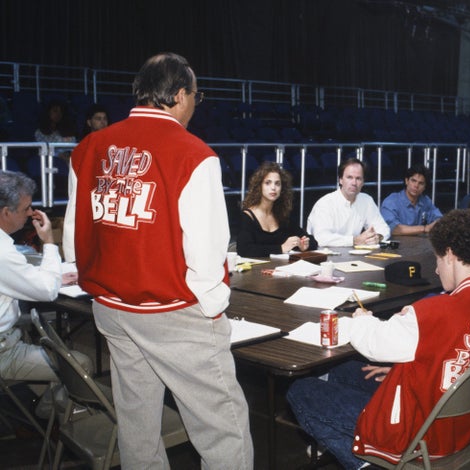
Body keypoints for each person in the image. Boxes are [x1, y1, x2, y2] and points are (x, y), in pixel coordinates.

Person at [63, 53, 253, 469]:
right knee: (224, 428)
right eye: (196, 96)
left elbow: (74, 238)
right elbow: (207, 248)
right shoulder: (193, 154)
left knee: (137, 424)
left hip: (111, 307)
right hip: (171, 310)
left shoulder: (89, 147)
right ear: (181, 95)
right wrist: (213, 307)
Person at [286, 209, 470, 469]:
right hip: (464, 428)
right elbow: (456, 356)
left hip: (421, 436)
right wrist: (412, 367)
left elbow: (374, 344)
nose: (437, 269)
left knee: (301, 390)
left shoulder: (432, 313)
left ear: (450, 255)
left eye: (438, 259)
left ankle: (372, 465)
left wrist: (362, 318)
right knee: (345, 372)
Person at [0, 170, 91, 416]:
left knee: (46, 335)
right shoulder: (2, 252)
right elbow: (47, 291)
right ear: (6, 212)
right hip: (3, 350)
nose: (31, 213)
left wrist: (48, 278)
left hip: (9, 334)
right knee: (80, 364)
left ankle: (42, 412)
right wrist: (49, 241)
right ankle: (57, 422)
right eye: (26, 208)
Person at [236, 161, 317, 256]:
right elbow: (244, 250)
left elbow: (312, 241)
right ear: (259, 186)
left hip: (281, 268)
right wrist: (281, 248)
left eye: (277, 184)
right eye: (268, 183)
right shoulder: (247, 216)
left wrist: (305, 245)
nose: (273, 188)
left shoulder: (282, 215)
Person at [306, 157, 390, 247]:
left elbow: (384, 228)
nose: (354, 183)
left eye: (358, 178)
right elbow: (321, 238)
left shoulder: (366, 200)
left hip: (353, 255)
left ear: (363, 182)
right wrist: (355, 240)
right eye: (349, 177)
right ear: (340, 180)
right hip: (323, 256)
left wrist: (377, 237)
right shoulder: (325, 203)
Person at [380, 164, 442, 236]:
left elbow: (440, 219)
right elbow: (393, 229)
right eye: (413, 181)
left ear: (425, 187)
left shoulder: (425, 200)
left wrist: (436, 223)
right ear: (407, 181)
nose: (416, 186)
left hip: (420, 245)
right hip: (398, 245)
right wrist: (425, 228)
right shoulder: (391, 201)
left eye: (421, 183)